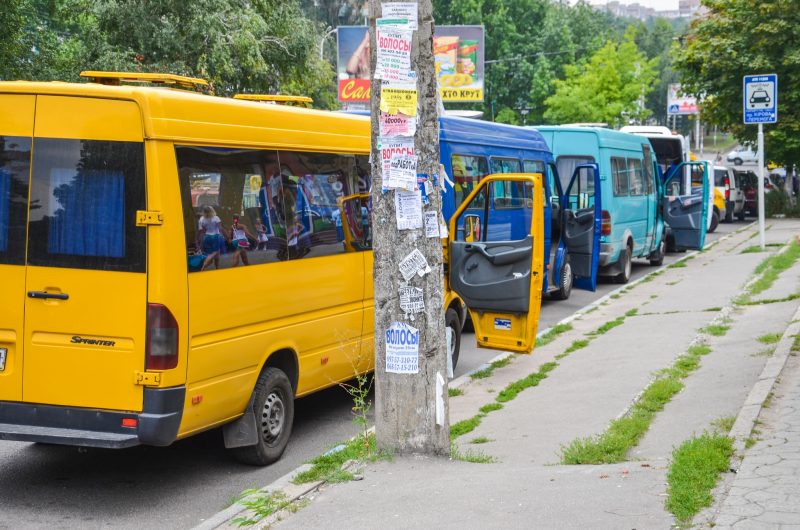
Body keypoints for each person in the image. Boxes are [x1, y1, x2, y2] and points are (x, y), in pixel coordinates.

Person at [197, 205, 226, 270]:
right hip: (215, 237)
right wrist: (224, 235)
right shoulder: (216, 218)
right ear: (212, 210)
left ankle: (217, 268)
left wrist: (199, 240)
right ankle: (204, 265)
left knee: (217, 253)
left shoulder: (201, 219)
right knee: (214, 253)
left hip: (207, 237)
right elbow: (220, 228)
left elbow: (202, 230)